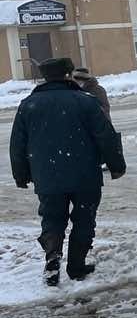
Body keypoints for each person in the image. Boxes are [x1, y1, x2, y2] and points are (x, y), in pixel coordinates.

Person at [9, 56, 126, 286]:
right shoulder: (86, 101)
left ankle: (52, 259)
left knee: (52, 219)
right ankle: (76, 265)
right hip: (85, 176)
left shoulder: (28, 105)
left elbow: (17, 145)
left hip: (47, 176)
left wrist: (21, 175)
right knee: (84, 219)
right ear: (68, 74)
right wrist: (117, 165)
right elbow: (106, 136)